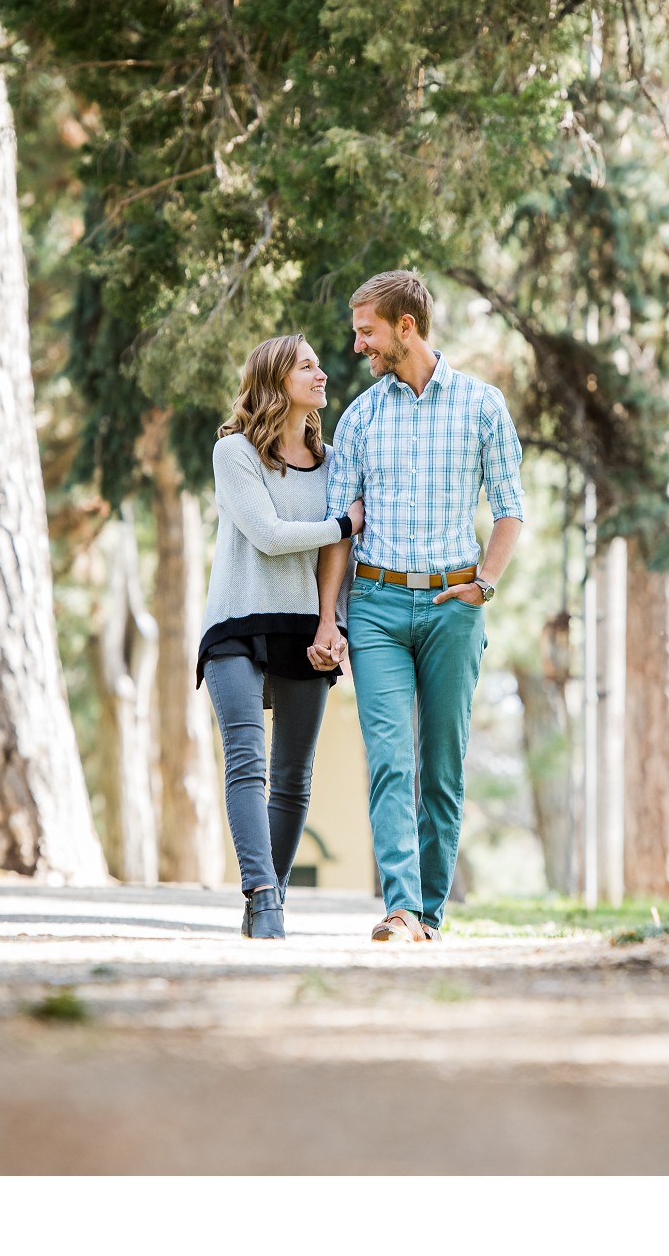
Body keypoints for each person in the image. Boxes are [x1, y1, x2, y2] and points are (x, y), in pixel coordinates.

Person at [311, 271, 525, 942]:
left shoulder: (482, 406)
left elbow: (510, 510)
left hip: (452, 605)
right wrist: (330, 619)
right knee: (390, 758)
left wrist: (484, 582)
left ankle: (430, 911)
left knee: (441, 766)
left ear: (407, 327)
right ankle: (401, 906)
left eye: (367, 330)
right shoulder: (361, 416)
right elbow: (341, 529)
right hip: (375, 603)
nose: (357, 345)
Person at [199, 334, 365, 940]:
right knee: (247, 764)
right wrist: (343, 521)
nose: (321, 373)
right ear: (274, 379)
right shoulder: (235, 453)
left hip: (304, 626)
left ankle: (273, 897)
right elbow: (269, 534)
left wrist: (334, 625)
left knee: (294, 775)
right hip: (236, 624)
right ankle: (261, 894)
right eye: (307, 365)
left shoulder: (333, 463)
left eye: (320, 365)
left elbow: (337, 556)